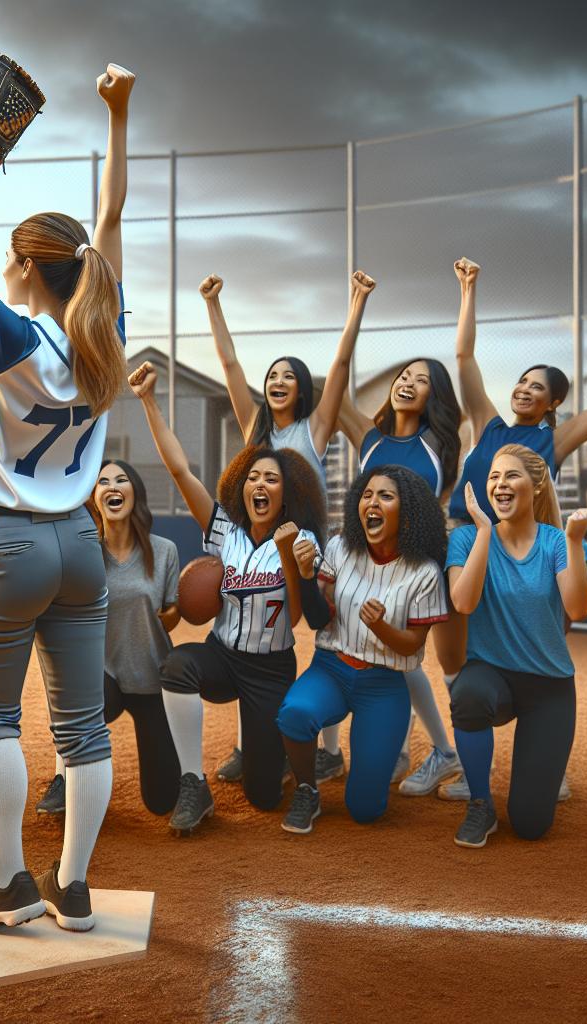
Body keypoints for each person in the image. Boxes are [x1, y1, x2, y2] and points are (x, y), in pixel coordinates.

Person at [0, 62, 133, 933]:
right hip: (80, 548)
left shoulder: (13, 336)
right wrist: (118, 115)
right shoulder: (103, 333)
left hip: (7, 544)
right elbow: (113, 219)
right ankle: (76, 888)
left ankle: (13, 882)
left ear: (24, 266)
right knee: (83, 727)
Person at [131, 359, 327, 833]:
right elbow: (180, 470)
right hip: (223, 657)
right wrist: (149, 401)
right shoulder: (226, 532)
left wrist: (289, 558)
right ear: (243, 484)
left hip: (270, 667)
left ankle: (283, 766)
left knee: (262, 797)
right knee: (176, 667)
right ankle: (193, 784)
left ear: (288, 492)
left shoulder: (303, 540)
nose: (261, 484)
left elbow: (301, 618)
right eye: (254, 477)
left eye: (272, 479)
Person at [201, 269, 376, 786]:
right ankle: (247, 742)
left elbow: (340, 366)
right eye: (273, 375)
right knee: (245, 633)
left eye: (288, 377)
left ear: (301, 390)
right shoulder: (255, 427)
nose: (278, 382)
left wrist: (357, 303)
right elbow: (230, 364)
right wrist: (213, 304)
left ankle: (328, 747)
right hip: (256, 544)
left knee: (323, 632)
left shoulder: (313, 427)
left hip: (303, 548)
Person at [277, 466, 448, 834]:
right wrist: (306, 576)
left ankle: (386, 739)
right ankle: (307, 790)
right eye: (367, 495)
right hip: (331, 669)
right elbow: (320, 619)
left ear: (409, 511)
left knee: (366, 809)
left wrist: (381, 627)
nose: (372, 502)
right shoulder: (340, 547)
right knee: (295, 714)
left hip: (384, 683)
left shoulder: (425, 572)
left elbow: (414, 645)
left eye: (385, 496)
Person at [446, 445, 587, 847]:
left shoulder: (557, 542)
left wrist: (576, 539)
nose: (500, 484)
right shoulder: (465, 539)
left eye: (511, 475)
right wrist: (482, 532)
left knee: (530, 825)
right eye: (494, 477)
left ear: (537, 485)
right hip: (491, 673)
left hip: (549, 687)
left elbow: (577, 609)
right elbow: (463, 603)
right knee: (468, 693)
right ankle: (479, 804)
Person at [336, 358, 463, 795]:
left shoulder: (439, 444)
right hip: (371, 558)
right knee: (387, 657)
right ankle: (412, 750)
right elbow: (333, 389)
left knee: (404, 658)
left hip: (419, 561)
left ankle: (445, 751)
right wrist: (355, 309)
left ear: (434, 397)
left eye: (421, 380)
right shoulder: (369, 439)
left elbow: (441, 501)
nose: (408, 383)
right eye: (404, 375)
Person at [32, 460, 182, 820]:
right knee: (73, 690)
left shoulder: (165, 552)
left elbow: (172, 612)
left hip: (150, 679)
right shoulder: (84, 553)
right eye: (103, 482)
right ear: (93, 498)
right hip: (102, 678)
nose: (113, 486)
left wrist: (172, 613)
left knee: (162, 800)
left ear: (136, 493)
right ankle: (64, 777)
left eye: (121, 479)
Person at [449, 258, 587, 526]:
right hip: (464, 535)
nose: (524, 389)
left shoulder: (552, 442)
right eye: (522, 382)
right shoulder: (488, 427)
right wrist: (468, 288)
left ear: (553, 403)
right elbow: (463, 355)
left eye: (536, 386)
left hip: (518, 546)